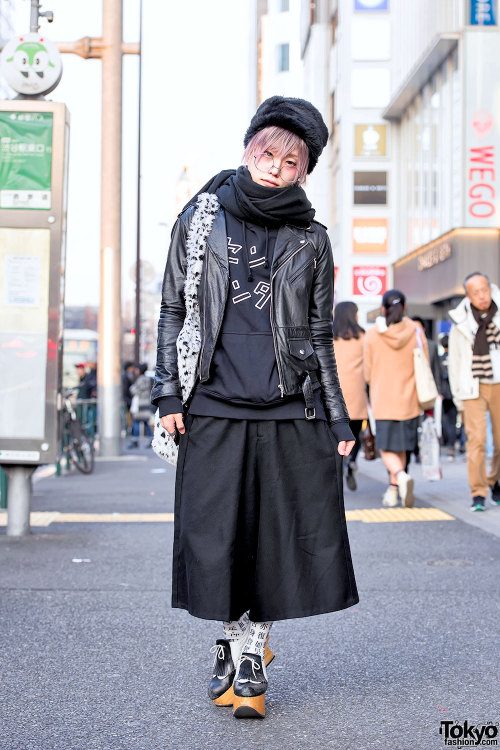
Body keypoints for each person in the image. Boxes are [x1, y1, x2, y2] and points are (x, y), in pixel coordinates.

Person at [151, 96, 359, 719]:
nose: (274, 167)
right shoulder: (200, 219)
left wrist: (340, 417)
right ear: (248, 151)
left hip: (287, 407)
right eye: (266, 153)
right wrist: (166, 390)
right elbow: (172, 310)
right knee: (215, 537)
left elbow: (320, 333)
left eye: (289, 161)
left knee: (274, 541)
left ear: (303, 171)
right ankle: (231, 638)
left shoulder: (313, 240)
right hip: (211, 402)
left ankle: (249, 657)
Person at [364, 289, 427, 508]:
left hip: (383, 397)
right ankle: (393, 490)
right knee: (401, 446)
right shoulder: (416, 330)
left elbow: (367, 371)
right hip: (410, 397)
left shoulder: (372, 334)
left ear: (383, 308)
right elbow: (424, 362)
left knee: (386, 446)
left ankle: (399, 476)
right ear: (405, 307)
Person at [448, 272, 500, 511]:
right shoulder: (460, 323)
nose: (482, 296)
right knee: (477, 441)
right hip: (472, 387)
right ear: (468, 295)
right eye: (476, 292)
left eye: (485, 290)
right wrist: (458, 395)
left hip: (498, 383)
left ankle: (494, 480)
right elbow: (456, 362)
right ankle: (478, 493)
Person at [333, 301, 367, 491]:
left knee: (336, 431)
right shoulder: (362, 336)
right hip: (357, 392)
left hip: (335, 392)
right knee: (355, 432)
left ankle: (339, 463)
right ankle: (352, 460)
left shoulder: (329, 336)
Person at [439, 335, 458, 461]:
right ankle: (451, 446)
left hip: (443, 394)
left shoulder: (440, 359)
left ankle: (448, 445)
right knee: (453, 420)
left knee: (445, 421)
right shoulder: (455, 359)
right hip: (455, 393)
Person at [128, 363, 153, 448]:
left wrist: (132, 388)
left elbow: (135, 390)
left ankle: (135, 440)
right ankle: (151, 439)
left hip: (140, 404)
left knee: (136, 422)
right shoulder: (147, 379)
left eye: (137, 369)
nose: (135, 371)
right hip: (145, 403)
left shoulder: (141, 379)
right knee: (146, 422)